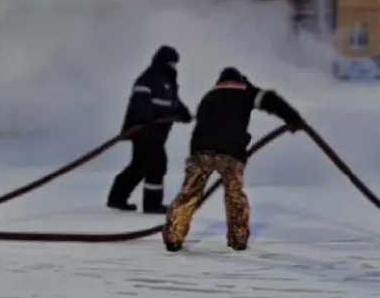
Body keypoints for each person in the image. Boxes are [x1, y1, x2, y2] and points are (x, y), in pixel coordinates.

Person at [161, 67, 304, 252]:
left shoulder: (208, 97)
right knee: (234, 195)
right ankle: (238, 239)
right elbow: (271, 100)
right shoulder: (244, 93)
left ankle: (174, 236)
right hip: (230, 153)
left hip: (201, 152)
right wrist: (293, 118)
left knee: (189, 194)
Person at [106, 45, 192, 214]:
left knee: (140, 165)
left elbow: (173, 102)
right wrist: (147, 118)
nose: (174, 67)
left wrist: (183, 112)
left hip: (156, 133)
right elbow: (141, 100)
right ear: (163, 62)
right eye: (172, 63)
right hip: (143, 131)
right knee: (156, 164)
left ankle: (117, 197)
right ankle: (152, 204)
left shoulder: (168, 82)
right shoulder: (149, 78)